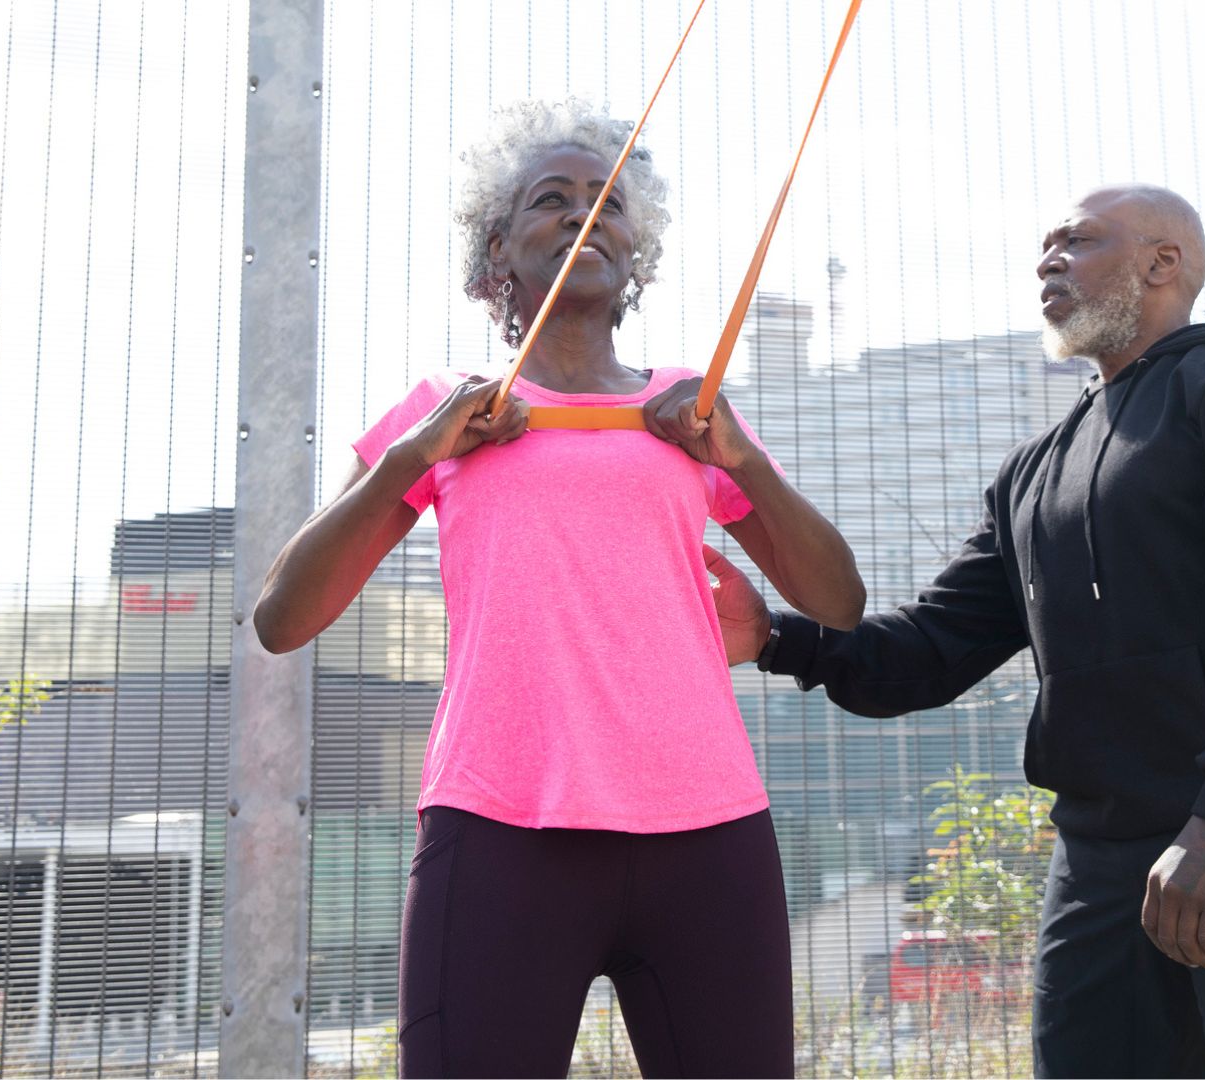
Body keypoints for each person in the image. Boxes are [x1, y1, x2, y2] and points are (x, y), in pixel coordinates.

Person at [710, 184, 1205, 1077]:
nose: (1048, 259)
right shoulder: (1035, 470)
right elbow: (927, 652)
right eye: (1045, 246)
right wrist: (776, 639)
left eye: (1078, 240)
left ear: (1163, 263)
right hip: (1103, 862)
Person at [251, 97, 865, 1079]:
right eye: (554, 198)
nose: (587, 215)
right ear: (497, 250)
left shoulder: (694, 413)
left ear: (637, 253)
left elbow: (840, 603)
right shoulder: (446, 416)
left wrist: (743, 465)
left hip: (708, 836)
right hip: (501, 831)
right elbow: (283, 619)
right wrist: (417, 449)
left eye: (610, 202)